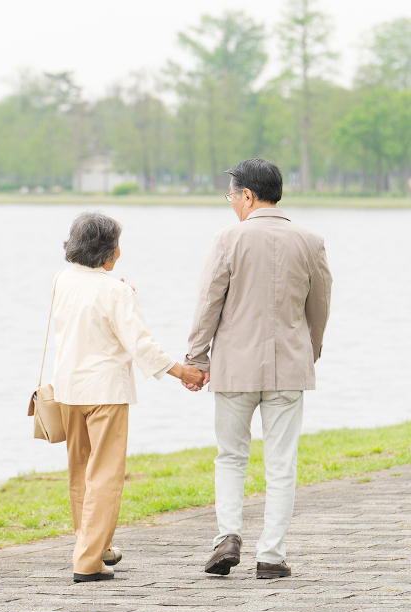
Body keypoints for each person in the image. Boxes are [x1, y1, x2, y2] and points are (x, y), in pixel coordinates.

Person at [184, 158, 332, 579]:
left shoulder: (228, 238)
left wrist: (196, 358)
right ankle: (271, 555)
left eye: (232, 195)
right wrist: (311, 348)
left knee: (231, 457)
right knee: (282, 462)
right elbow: (320, 305)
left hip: (234, 365)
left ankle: (227, 536)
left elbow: (208, 303)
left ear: (247, 195)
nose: (231, 203)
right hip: (290, 364)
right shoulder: (311, 241)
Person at [51, 212, 203, 583]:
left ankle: (94, 545)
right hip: (104, 391)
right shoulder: (116, 290)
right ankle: (87, 561)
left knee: (80, 472)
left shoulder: (63, 280)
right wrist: (181, 371)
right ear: (108, 253)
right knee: (104, 475)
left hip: (67, 388)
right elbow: (140, 344)